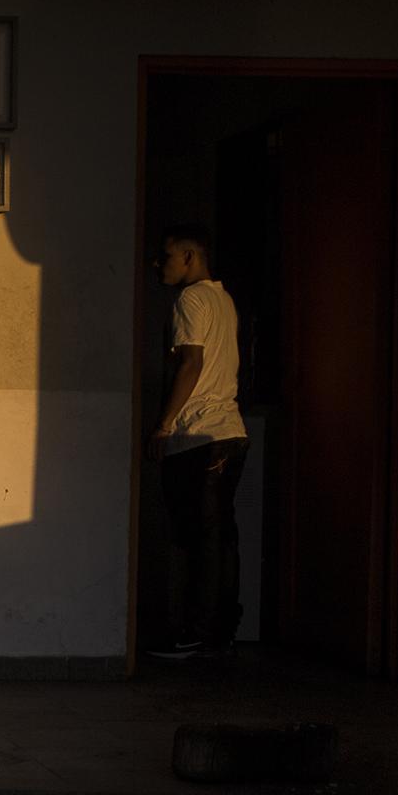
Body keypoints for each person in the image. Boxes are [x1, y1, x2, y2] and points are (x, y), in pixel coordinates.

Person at [146, 224, 248, 659]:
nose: (158, 265)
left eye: (165, 256)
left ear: (189, 256)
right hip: (230, 434)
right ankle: (219, 631)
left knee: (192, 539)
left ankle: (192, 633)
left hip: (198, 435)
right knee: (220, 537)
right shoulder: (223, 300)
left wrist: (165, 424)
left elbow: (190, 363)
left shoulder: (190, 299)